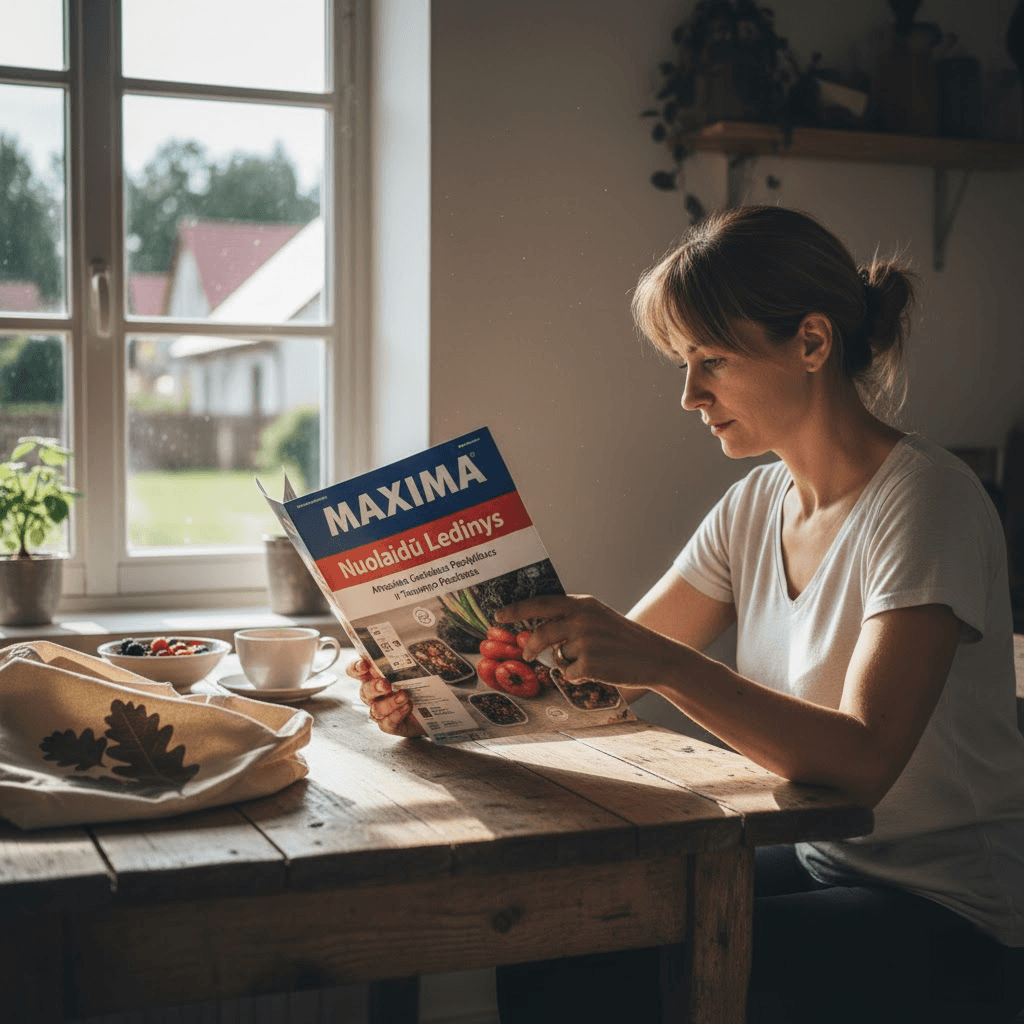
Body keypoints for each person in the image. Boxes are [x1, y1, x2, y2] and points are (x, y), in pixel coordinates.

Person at [348, 205, 1024, 1023]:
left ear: (812, 344)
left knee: (607, 979)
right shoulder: (754, 507)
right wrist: (432, 699)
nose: (689, 394)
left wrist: (664, 665)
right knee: (550, 938)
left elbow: (862, 764)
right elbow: (598, 687)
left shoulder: (927, 502)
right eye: (681, 362)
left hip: (953, 911)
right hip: (823, 863)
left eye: (710, 361)